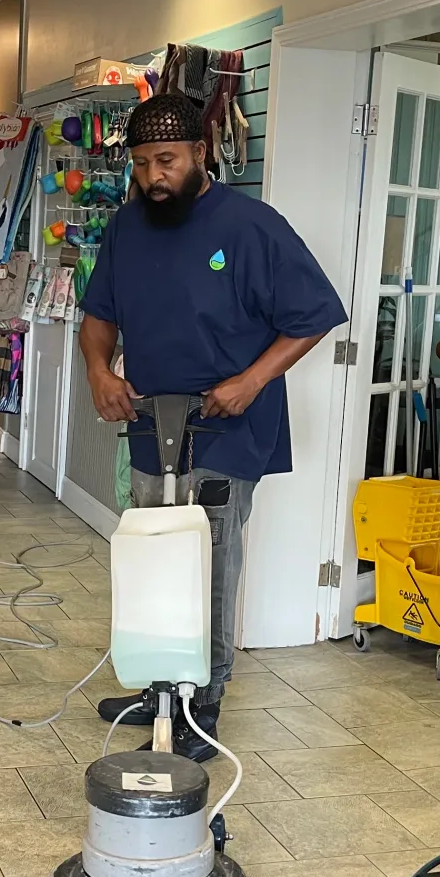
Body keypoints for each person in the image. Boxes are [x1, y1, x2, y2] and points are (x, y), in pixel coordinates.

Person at [79, 91, 347, 760]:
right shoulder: (126, 227)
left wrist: (253, 380)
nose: (152, 178)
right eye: (141, 164)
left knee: (208, 564)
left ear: (202, 153)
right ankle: (157, 688)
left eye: (165, 161)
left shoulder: (253, 226)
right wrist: (99, 372)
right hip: (148, 424)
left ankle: (203, 707)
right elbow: (99, 316)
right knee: (150, 559)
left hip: (226, 429)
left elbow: (314, 315)